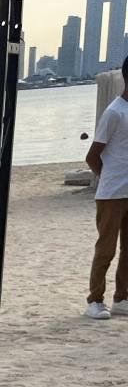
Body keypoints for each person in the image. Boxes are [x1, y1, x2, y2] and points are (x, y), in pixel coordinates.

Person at [84, 54, 128, 319]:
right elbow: (92, 156)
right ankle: (95, 300)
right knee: (106, 250)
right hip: (112, 193)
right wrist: (107, 177)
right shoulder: (114, 112)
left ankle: (122, 297)